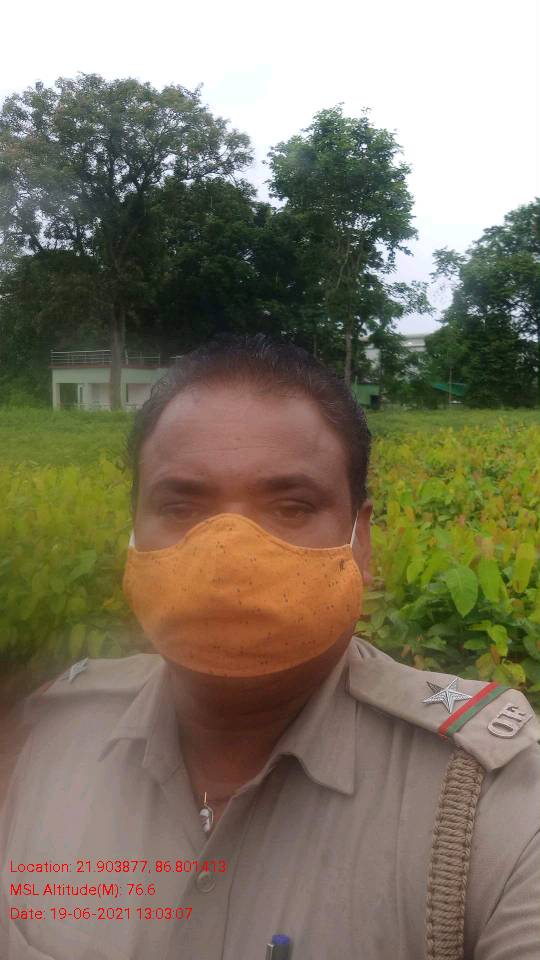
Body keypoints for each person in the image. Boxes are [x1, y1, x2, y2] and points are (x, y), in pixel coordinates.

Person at [1, 333, 539, 960]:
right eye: (181, 506)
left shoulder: (488, 803)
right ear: (134, 535)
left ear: (359, 541)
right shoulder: (47, 742)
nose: (229, 558)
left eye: (290, 507)